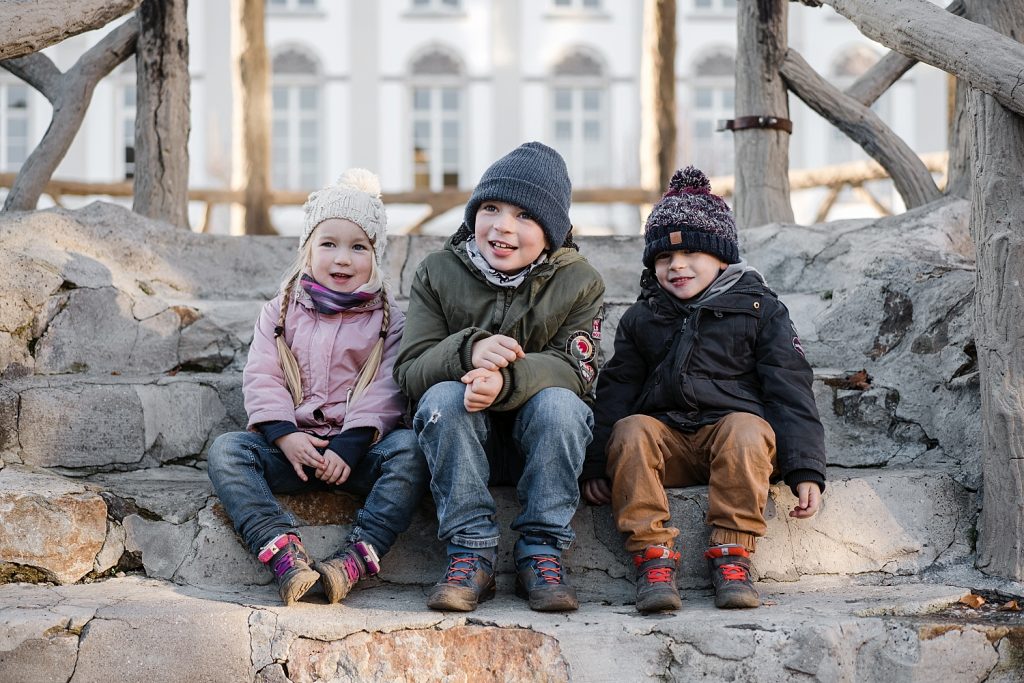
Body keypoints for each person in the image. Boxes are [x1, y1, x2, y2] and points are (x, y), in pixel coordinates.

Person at [581, 166, 826, 613]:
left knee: (746, 428)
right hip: (667, 443)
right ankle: (652, 558)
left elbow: (789, 387)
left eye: (692, 252)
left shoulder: (760, 311)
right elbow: (616, 391)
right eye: (662, 259)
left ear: (722, 257)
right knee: (632, 428)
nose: (676, 266)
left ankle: (733, 557)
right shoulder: (643, 317)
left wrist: (804, 468)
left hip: (735, 447)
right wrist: (596, 462)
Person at [395, 142, 605, 613]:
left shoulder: (580, 281)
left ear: (551, 233)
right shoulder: (437, 271)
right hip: (461, 441)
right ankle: (471, 552)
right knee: (443, 399)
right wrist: (468, 351)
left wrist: (507, 379)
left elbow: (579, 369)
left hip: (542, 442)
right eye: (490, 208)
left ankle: (541, 548)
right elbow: (409, 370)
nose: (503, 226)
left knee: (563, 405)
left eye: (525, 216)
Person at [208, 169, 428, 606]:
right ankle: (282, 552)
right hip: (294, 451)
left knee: (413, 451)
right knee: (226, 452)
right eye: (328, 244)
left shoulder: (391, 322)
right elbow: (263, 374)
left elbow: (388, 387)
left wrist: (353, 442)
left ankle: (356, 559)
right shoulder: (280, 311)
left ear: (375, 257)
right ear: (307, 250)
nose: (342, 259)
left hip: (360, 454)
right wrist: (284, 435)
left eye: (358, 247)